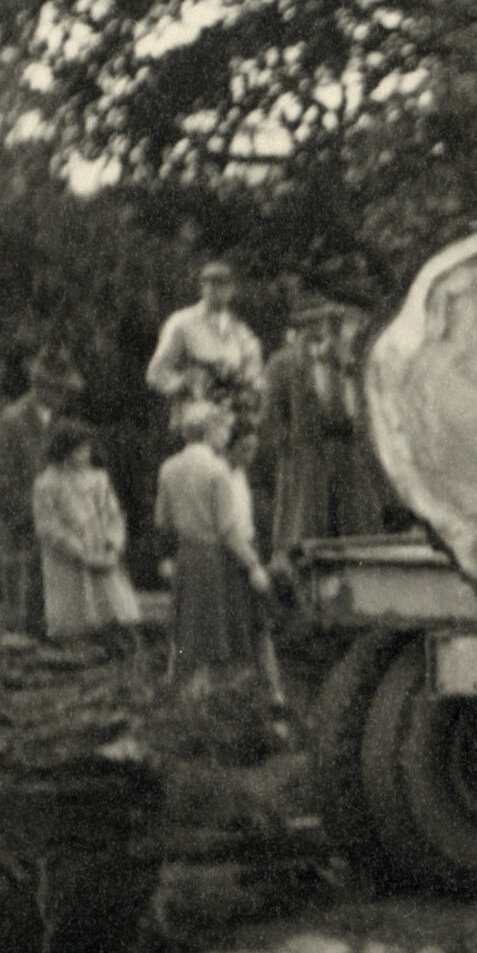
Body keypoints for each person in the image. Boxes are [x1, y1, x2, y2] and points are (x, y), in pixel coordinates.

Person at [259, 297, 386, 573]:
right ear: (303, 328)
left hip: (347, 457)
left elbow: (363, 410)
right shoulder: (283, 363)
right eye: (318, 323)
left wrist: (345, 368)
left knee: (355, 532)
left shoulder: (347, 361)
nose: (326, 329)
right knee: (304, 534)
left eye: (331, 323)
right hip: (307, 460)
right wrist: (291, 448)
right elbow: (270, 417)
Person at [154, 403, 270, 697]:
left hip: (185, 556)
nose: (225, 436)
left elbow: (162, 520)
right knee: (209, 636)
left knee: (186, 634)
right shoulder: (216, 470)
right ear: (209, 431)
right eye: (223, 430)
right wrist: (253, 564)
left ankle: (183, 699)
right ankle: (202, 703)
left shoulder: (168, 468)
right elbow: (229, 530)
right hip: (211, 560)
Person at [0, 345, 85, 634]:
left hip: (54, 541)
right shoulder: (8, 423)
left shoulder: (57, 426)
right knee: (22, 620)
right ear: (41, 386)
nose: (63, 396)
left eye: (64, 390)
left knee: (53, 622)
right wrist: (37, 515)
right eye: (57, 389)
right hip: (22, 538)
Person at [30, 419, 139, 641]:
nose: (85, 454)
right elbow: (48, 526)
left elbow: (113, 514)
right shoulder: (47, 483)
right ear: (64, 451)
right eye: (79, 450)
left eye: (87, 448)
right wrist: (80, 551)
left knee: (112, 606)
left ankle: (112, 644)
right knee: (74, 612)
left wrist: (113, 543)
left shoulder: (98, 479)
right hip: (69, 556)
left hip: (101, 550)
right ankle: (74, 647)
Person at [221, 422, 290, 721]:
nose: (249, 455)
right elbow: (227, 529)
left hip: (249, 547)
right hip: (232, 556)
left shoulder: (240, 475)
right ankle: (243, 697)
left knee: (262, 626)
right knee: (238, 626)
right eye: (243, 448)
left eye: (253, 449)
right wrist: (251, 565)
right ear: (229, 446)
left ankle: (275, 694)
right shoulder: (220, 476)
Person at [146, 259, 266, 430]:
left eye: (222, 284)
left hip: (231, 422)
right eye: (209, 283)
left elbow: (255, 373)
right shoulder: (182, 323)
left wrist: (247, 386)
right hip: (193, 421)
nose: (215, 290)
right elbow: (155, 372)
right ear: (202, 288)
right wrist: (185, 383)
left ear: (232, 289)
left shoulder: (239, 330)